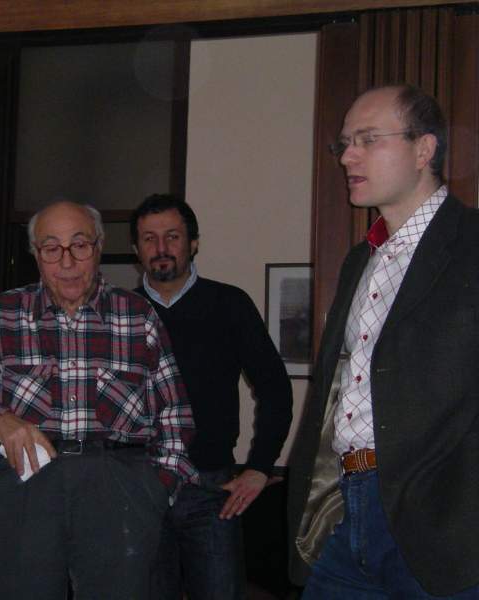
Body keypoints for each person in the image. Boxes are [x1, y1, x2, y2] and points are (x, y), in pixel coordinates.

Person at [0, 200, 197, 600]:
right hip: (22, 490)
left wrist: (155, 491)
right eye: (51, 248)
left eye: (80, 245)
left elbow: (175, 414)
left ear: (98, 246)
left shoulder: (137, 315)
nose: (67, 262)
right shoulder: (0, 316)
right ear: (36, 255)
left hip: (119, 492)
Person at [288, 84, 479, 598]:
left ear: (424, 150)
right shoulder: (361, 260)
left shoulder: (471, 244)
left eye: (368, 139)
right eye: (345, 143)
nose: (347, 156)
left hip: (443, 524)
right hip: (343, 506)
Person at [131, 194, 293, 600]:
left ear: (194, 243)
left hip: (211, 492)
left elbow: (274, 387)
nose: (161, 248)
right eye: (149, 238)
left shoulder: (229, 304)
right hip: (137, 490)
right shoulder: (121, 312)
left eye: (172, 236)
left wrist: (260, 466)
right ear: (136, 249)